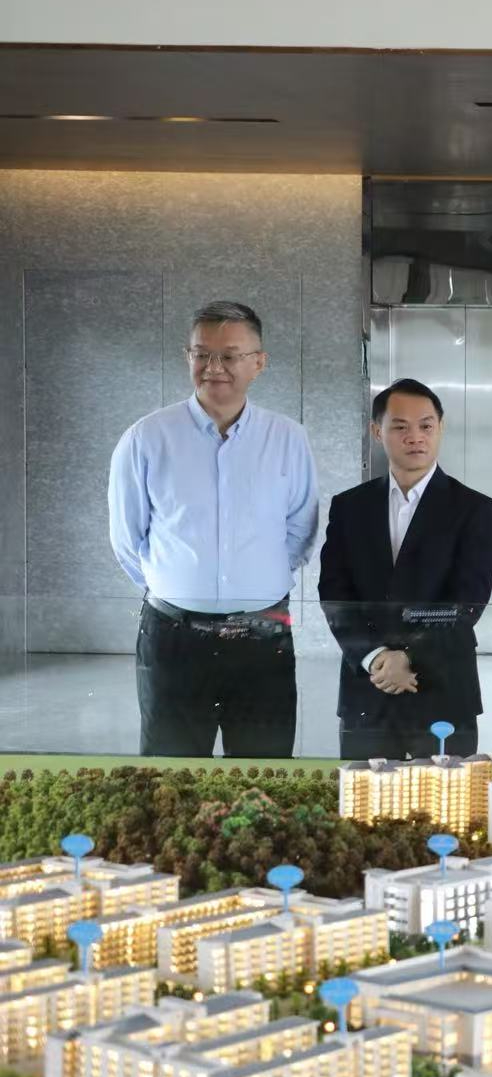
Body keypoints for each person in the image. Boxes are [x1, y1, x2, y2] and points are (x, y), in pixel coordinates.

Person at [107, 301, 319, 757]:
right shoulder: (147, 437)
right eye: (201, 354)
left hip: (262, 636)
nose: (214, 367)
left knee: (265, 771)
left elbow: (301, 528)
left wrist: (255, 581)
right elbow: (127, 538)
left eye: (229, 355)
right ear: (188, 357)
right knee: (171, 775)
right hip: (174, 635)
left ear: (258, 362)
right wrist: (181, 586)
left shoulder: (288, 438)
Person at [318, 379, 492, 761]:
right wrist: (377, 657)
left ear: (441, 428)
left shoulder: (473, 509)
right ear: (377, 431)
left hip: (442, 688)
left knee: (445, 798)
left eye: (426, 426)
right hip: (368, 688)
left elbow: (467, 602)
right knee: (363, 797)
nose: (415, 437)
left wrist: (406, 657)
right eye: (400, 426)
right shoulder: (350, 506)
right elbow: (335, 593)